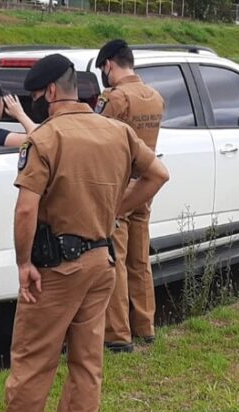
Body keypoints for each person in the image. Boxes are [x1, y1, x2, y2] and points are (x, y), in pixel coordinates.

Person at [0, 54, 169, 412]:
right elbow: (158, 174)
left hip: (56, 269)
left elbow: (26, 208)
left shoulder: (45, 138)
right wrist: (117, 210)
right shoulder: (116, 132)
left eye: (36, 95)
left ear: (48, 92)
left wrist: (24, 263)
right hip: (102, 264)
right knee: (87, 364)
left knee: (32, 363)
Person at [95, 39, 165, 354]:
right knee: (140, 258)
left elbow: (95, 136)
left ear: (109, 64)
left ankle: (118, 335)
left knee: (116, 261)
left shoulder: (115, 98)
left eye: (103, 70)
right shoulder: (155, 97)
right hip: (145, 185)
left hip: (119, 187)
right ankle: (145, 327)